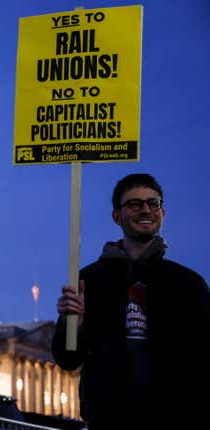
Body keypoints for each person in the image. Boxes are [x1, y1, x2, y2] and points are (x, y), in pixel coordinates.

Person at [52, 173, 210, 429]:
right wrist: (76, 325)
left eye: (153, 203)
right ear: (117, 216)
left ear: (163, 212)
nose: (146, 209)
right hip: (108, 420)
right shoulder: (89, 280)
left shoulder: (189, 284)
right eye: (135, 204)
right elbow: (67, 358)